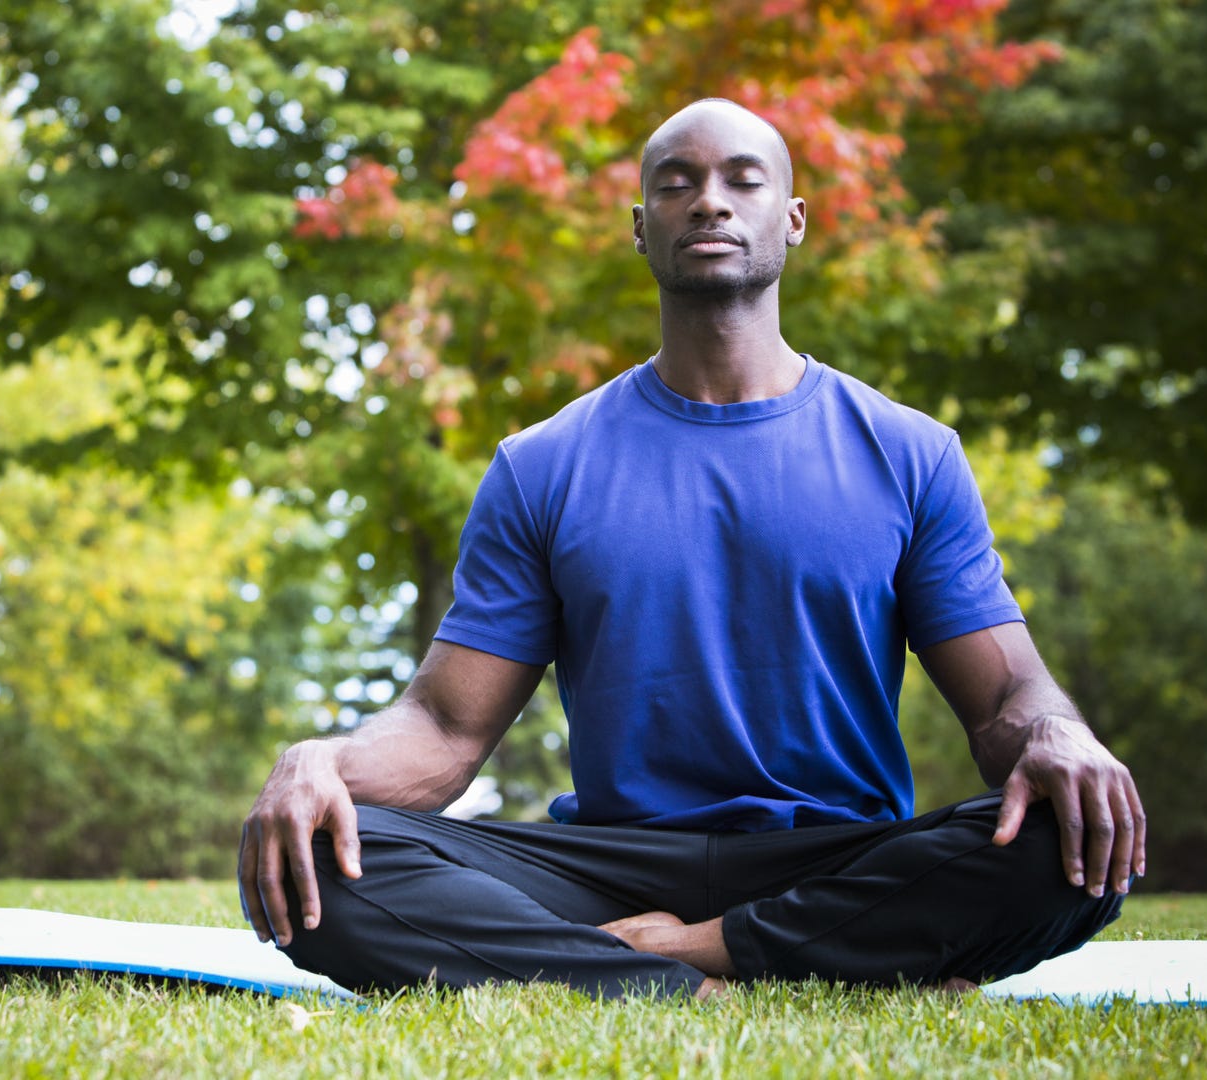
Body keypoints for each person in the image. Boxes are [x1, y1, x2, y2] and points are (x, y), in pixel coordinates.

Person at [237, 98, 1143, 999]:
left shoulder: (910, 453)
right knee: (318, 855)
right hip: (609, 863)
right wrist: (322, 762)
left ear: (791, 220)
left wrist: (1058, 734)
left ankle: (686, 955)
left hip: (835, 855)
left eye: (743, 181)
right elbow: (444, 730)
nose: (710, 202)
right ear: (642, 228)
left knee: (1068, 832)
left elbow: (1003, 704)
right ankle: (770, 969)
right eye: (678, 184)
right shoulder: (542, 464)